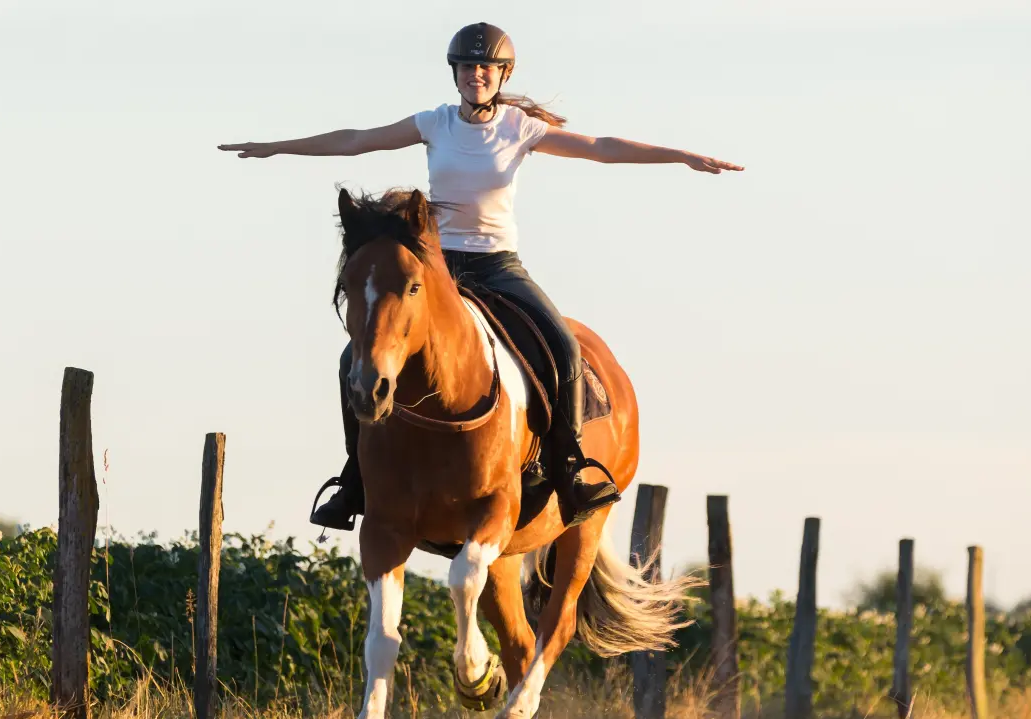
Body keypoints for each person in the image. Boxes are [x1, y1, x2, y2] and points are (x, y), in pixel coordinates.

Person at [219, 22, 743, 533]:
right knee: (352, 359)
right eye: (468, 67)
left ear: (503, 74)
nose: (477, 75)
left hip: (498, 266)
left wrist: (681, 157)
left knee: (563, 346)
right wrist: (277, 146)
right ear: (455, 73)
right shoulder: (434, 123)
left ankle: (569, 466)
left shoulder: (520, 128)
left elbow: (601, 146)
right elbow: (357, 140)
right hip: (437, 269)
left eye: (487, 68)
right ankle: (355, 478)